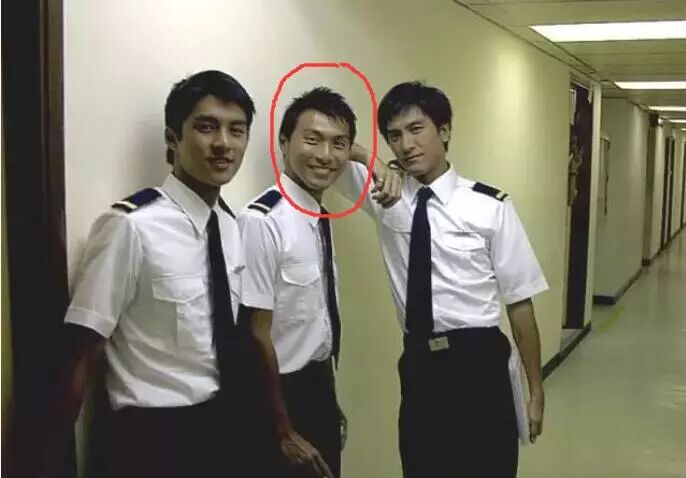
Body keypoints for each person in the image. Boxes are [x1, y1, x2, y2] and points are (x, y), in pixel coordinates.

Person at [43, 70, 257, 478]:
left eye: (237, 130)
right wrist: (48, 459)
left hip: (223, 425)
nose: (223, 144)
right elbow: (81, 352)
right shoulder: (131, 225)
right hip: (150, 438)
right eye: (206, 127)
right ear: (172, 139)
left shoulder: (230, 226)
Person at [336, 81, 547, 477]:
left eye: (417, 129)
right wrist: (372, 160)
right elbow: (331, 147)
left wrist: (535, 390)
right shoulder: (385, 194)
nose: (406, 145)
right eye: (394, 136)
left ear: (444, 131)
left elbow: (520, 303)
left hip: (480, 362)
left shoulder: (489, 207)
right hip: (420, 365)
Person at [238, 87, 360, 478]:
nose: (326, 155)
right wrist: (283, 428)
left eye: (338, 144)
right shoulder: (263, 220)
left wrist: (327, 400)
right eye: (312, 139)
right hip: (278, 397)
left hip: (318, 385)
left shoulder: (316, 216)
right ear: (284, 142)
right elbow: (255, 333)